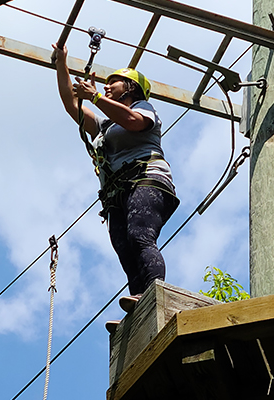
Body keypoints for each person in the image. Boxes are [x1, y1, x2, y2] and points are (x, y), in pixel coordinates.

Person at [52, 43, 179, 313]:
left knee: (139, 235)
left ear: (130, 87)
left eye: (115, 82)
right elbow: (70, 103)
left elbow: (133, 121)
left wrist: (96, 97)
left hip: (147, 181)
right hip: (117, 194)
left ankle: (155, 293)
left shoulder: (145, 108)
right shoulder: (104, 126)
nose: (108, 86)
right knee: (124, 248)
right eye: (106, 85)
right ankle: (140, 304)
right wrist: (61, 64)